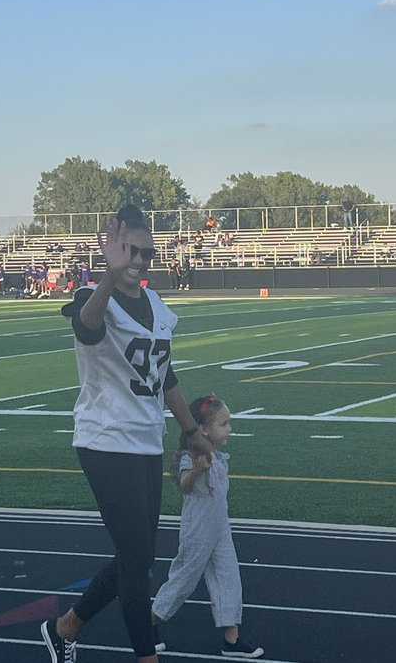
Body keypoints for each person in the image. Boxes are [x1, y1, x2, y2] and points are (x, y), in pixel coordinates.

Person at [41, 205, 213, 663]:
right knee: (138, 564)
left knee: (137, 556)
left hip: (146, 440)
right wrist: (108, 277)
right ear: (113, 248)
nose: (139, 260)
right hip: (104, 439)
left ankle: (66, 627)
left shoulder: (156, 304)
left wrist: (192, 430)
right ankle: (145, 656)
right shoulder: (95, 296)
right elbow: (88, 326)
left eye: (146, 253)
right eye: (130, 251)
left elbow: (165, 374)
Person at [151, 394, 264, 659]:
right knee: (183, 580)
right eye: (224, 424)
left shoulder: (219, 457)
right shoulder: (190, 458)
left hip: (220, 528)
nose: (230, 429)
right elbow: (185, 484)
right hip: (198, 532)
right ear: (203, 429)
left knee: (228, 578)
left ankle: (231, 640)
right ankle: (151, 622)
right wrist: (200, 470)